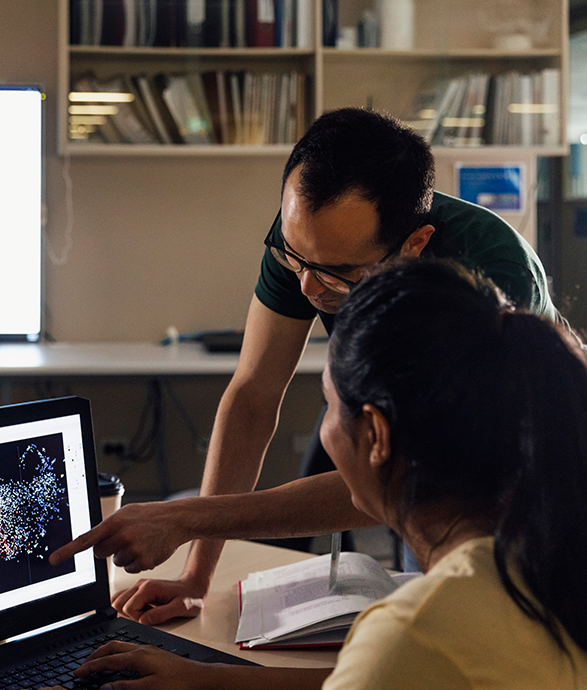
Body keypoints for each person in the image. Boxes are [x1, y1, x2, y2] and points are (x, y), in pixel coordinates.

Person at [50, 107, 563, 625]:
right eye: (294, 258)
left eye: (340, 273)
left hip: (526, 484)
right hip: (418, 475)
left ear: (414, 247)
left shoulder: (489, 276)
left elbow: (407, 478)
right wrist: (196, 577)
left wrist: (183, 517)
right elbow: (252, 398)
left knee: (456, 623)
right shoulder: (309, 243)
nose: (308, 290)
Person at [44, 258, 587, 690]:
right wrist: (207, 681)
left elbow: (402, 663)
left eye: (328, 406)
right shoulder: (544, 564)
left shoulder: (415, 634)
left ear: (375, 435)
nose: (325, 433)